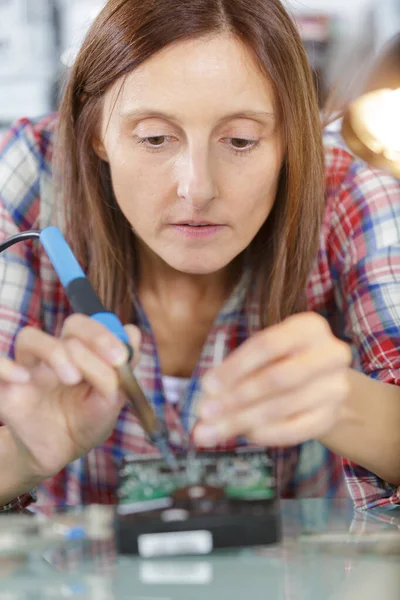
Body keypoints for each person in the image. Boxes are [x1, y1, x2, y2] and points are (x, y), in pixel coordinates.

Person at [0, 0, 399, 512]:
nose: (197, 188)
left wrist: (344, 403)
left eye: (240, 140)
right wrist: (26, 455)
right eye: (155, 138)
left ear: (289, 138)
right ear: (95, 130)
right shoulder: (31, 174)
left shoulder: (347, 191)